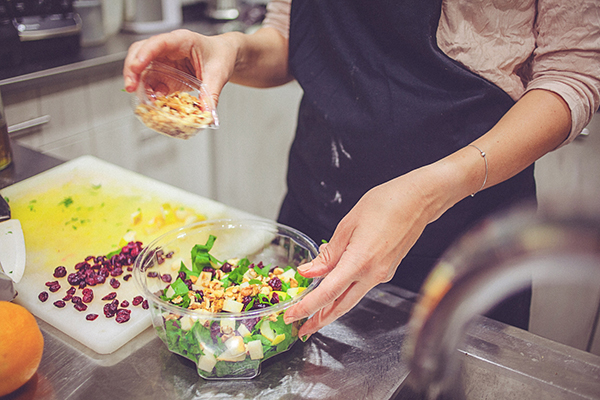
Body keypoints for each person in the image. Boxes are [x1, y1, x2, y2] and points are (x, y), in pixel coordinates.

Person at [123, 0, 600, 339]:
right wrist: (231, 49)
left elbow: (574, 75)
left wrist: (433, 189)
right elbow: (293, 37)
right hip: (314, 216)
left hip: (464, 239)